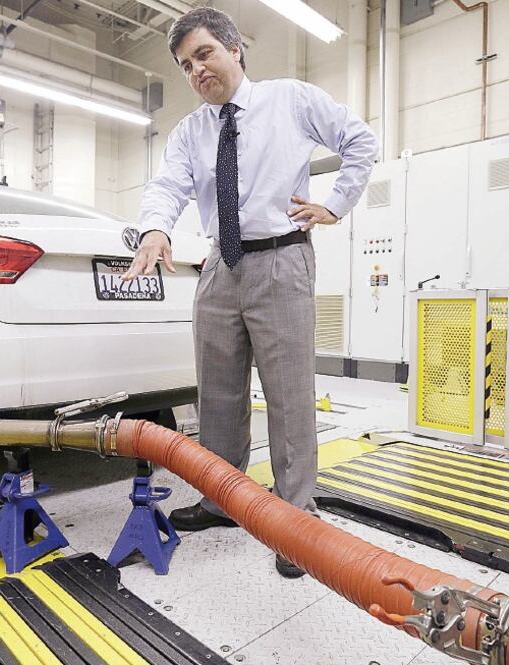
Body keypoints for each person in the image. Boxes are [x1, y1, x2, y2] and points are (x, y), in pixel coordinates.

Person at [122, 7, 377, 578]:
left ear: (235, 49)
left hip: (281, 260)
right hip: (220, 266)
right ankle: (220, 499)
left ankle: (295, 519)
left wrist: (334, 204)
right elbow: (167, 186)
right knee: (217, 394)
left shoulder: (290, 100)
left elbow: (360, 141)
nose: (197, 71)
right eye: (186, 66)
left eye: (204, 55)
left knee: (287, 395)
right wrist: (157, 227)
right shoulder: (192, 131)